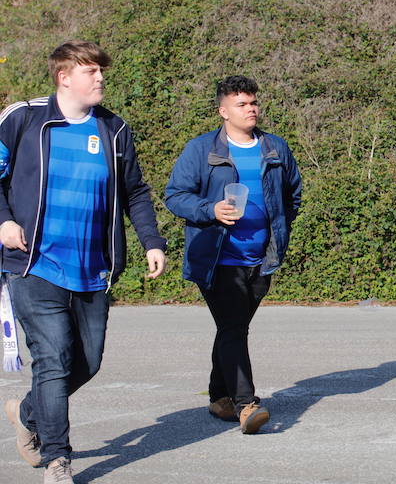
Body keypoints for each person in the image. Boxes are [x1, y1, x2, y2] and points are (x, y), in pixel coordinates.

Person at [0, 40, 167, 483]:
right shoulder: (24, 118)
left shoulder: (114, 129)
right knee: (53, 360)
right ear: (64, 77)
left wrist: (152, 240)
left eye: (100, 71)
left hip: (93, 268)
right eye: (91, 72)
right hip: (34, 264)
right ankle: (57, 459)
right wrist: (3, 221)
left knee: (86, 363)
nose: (100, 79)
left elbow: (135, 191)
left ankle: (29, 410)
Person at [165, 75, 302, 434]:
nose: (251, 108)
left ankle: (218, 396)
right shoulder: (200, 150)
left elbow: (293, 196)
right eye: (242, 104)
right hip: (216, 258)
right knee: (233, 328)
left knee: (232, 329)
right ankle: (245, 404)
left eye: (254, 102)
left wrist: (278, 231)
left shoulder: (275, 148)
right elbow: (175, 195)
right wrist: (211, 210)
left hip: (262, 258)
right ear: (223, 111)